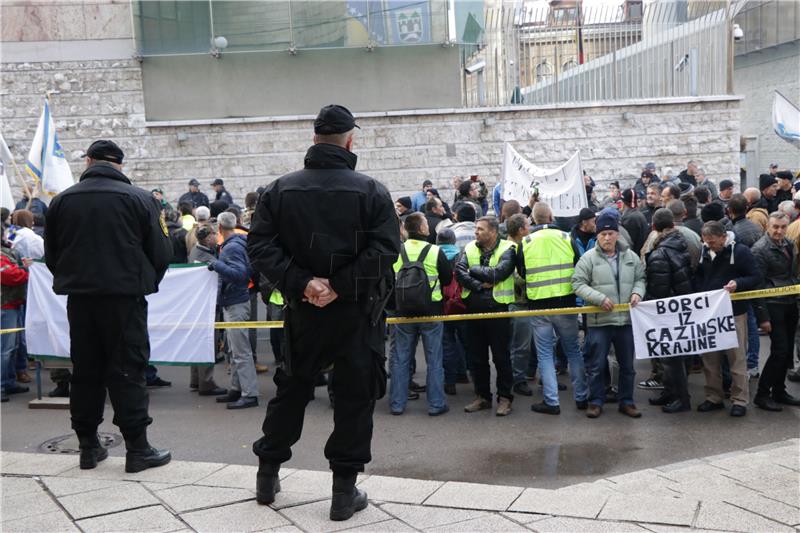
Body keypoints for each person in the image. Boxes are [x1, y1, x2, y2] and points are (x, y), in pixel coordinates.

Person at [247, 105, 400, 521]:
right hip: (356, 314)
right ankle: (342, 492)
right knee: (354, 398)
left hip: (304, 311)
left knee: (291, 390)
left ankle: (267, 475)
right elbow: (385, 251)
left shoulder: (279, 190)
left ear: (314, 140)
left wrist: (305, 284)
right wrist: (338, 286)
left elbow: (259, 247)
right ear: (350, 142)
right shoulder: (371, 191)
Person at [44, 139, 172, 472]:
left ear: (88, 161)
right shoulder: (141, 199)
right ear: (119, 165)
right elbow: (161, 253)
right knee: (128, 369)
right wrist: (140, 282)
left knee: (85, 371)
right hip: (123, 299)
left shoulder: (61, 202)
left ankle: (88, 445)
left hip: (81, 299)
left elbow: (52, 256)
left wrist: (78, 280)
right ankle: (137, 448)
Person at [572, 211, 646, 419]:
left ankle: (627, 401)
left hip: (625, 321)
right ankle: (596, 401)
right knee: (596, 365)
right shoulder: (588, 259)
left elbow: (641, 278)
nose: (607, 238)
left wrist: (637, 292)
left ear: (617, 235)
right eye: (603, 234)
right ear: (597, 235)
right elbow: (577, 283)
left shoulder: (630, 257)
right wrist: (598, 298)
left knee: (627, 367)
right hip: (599, 321)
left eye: (611, 233)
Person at [521, 203, 588, 415]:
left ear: (533, 219)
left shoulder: (526, 241)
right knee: (573, 351)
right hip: (565, 303)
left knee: (545, 354)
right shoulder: (566, 238)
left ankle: (552, 402)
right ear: (550, 216)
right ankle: (582, 397)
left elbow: (522, 271)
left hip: (539, 305)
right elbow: (579, 265)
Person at [693, 221, 760, 417]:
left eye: (712, 242)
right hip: (709, 314)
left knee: (736, 358)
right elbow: (698, 277)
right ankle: (713, 396)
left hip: (734, 313)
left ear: (723, 237)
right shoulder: (705, 252)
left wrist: (738, 283)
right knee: (710, 359)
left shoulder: (741, 252)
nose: (709, 245)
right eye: (706, 242)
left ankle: (739, 400)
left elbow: (756, 276)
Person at [389, 213, 450, 416]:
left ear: (406, 230)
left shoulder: (397, 251)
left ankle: (397, 404)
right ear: (423, 230)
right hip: (431, 311)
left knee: (400, 359)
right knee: (434, 359)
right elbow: (447, 279)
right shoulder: (435, 251)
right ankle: (436, 404)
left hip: (402, 312)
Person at [455, 216, 516, 416]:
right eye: (476, 230)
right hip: (473, 310)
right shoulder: (470, 247)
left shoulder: (508, 248)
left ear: (493, 231)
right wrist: (479, 285)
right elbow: (459, 272)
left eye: (480, 229)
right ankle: (482, 396)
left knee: (501, 357)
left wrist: (473, 271)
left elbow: (498, 274)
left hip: (498, 310)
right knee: (477, 358)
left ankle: (505, 398)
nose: (476, 233)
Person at [644, 209, 694, 413]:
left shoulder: (660, 253)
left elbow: (659, 288)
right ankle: (670, 393)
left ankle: (682, 399)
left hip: (668, 311)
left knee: (672, 358)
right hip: (680, 307)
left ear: (654, 227)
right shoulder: (681, 243)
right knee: (674, 357)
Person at [208, 212, 259, 409]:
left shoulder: (231, 248)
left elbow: (240, 275)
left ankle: (249, 393)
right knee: (234, 350)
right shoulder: (236, 244)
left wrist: (216, 265)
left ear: (220, 228)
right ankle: (238, 389)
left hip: (235, 301)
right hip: (235, 301)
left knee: (241, 351)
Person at [752, 213, 800, 411]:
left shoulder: (788, 244)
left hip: (790, 302)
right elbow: (758, 286)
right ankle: (763, 394)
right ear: (767, 227)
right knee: (779, 351)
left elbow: (792, 274)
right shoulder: (760, 250)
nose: (779, 231)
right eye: (775, 227)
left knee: (787, 352)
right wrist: (763, 318)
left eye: (782, 227)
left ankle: (779, 390)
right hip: (773, 306)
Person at [187, 224, 227, 396]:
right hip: (207, 305)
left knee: (198, 342)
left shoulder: (195, 251)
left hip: (198, 304)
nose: (216, 236)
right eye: (213, 234)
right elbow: (216, 281)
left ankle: (196, 380)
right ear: (207, 237)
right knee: (208, 343)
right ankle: (206, 382)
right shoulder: (206, 257)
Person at [506, 214, 536, 397]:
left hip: (519, 303)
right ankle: (518, 380)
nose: (530, 228)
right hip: (518, 304)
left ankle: (520, 376)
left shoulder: (516, 246)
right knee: (520, 346)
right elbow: (517, 279)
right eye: (528, 225)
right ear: (520, 230)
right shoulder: (513, 249)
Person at [1, 228, 31, 403]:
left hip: (13, 304)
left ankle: (9, 381)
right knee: (5, 350)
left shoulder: (8, 252)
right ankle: (2, 384)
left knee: (13, 347)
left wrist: (21, 267)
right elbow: (8, 275)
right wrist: (25, 271)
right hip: (5, 306)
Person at [620, 189, 649, 256]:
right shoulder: (638, 214)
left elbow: (629, 241)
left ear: (624, 203)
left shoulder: (631, 218)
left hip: (634, 255)